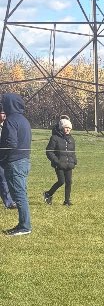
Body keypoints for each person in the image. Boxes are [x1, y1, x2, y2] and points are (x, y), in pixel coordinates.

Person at [0, 92, 33, 236]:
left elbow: (11, 143)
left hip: (14, 162)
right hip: (25, 161)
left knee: (19, 195)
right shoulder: (24, 120)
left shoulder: (11, 120)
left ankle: (25, 226)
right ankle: (22, 224)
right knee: (21, 193)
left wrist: (2, 156)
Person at [43, 116, 77, 206]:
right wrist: (56, 161)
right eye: (66, 127)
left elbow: (73, 151)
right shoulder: (54, 138)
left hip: (69, 164)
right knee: (61, 181)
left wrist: (74, 161)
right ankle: (48, 194)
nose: (67, 129)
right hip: (59, 164)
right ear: (62, 128)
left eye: (69, 128)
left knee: (69, 182)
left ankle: (67, 201)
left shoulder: (71, 139)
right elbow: (49, 151)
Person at [0, 107, 16, 210]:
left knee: (4, 178)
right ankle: (9, 202)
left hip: (4, 157)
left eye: (5, 113)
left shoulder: (6, 126)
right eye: (2, 113)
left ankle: (9, 201)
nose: (4, 115)